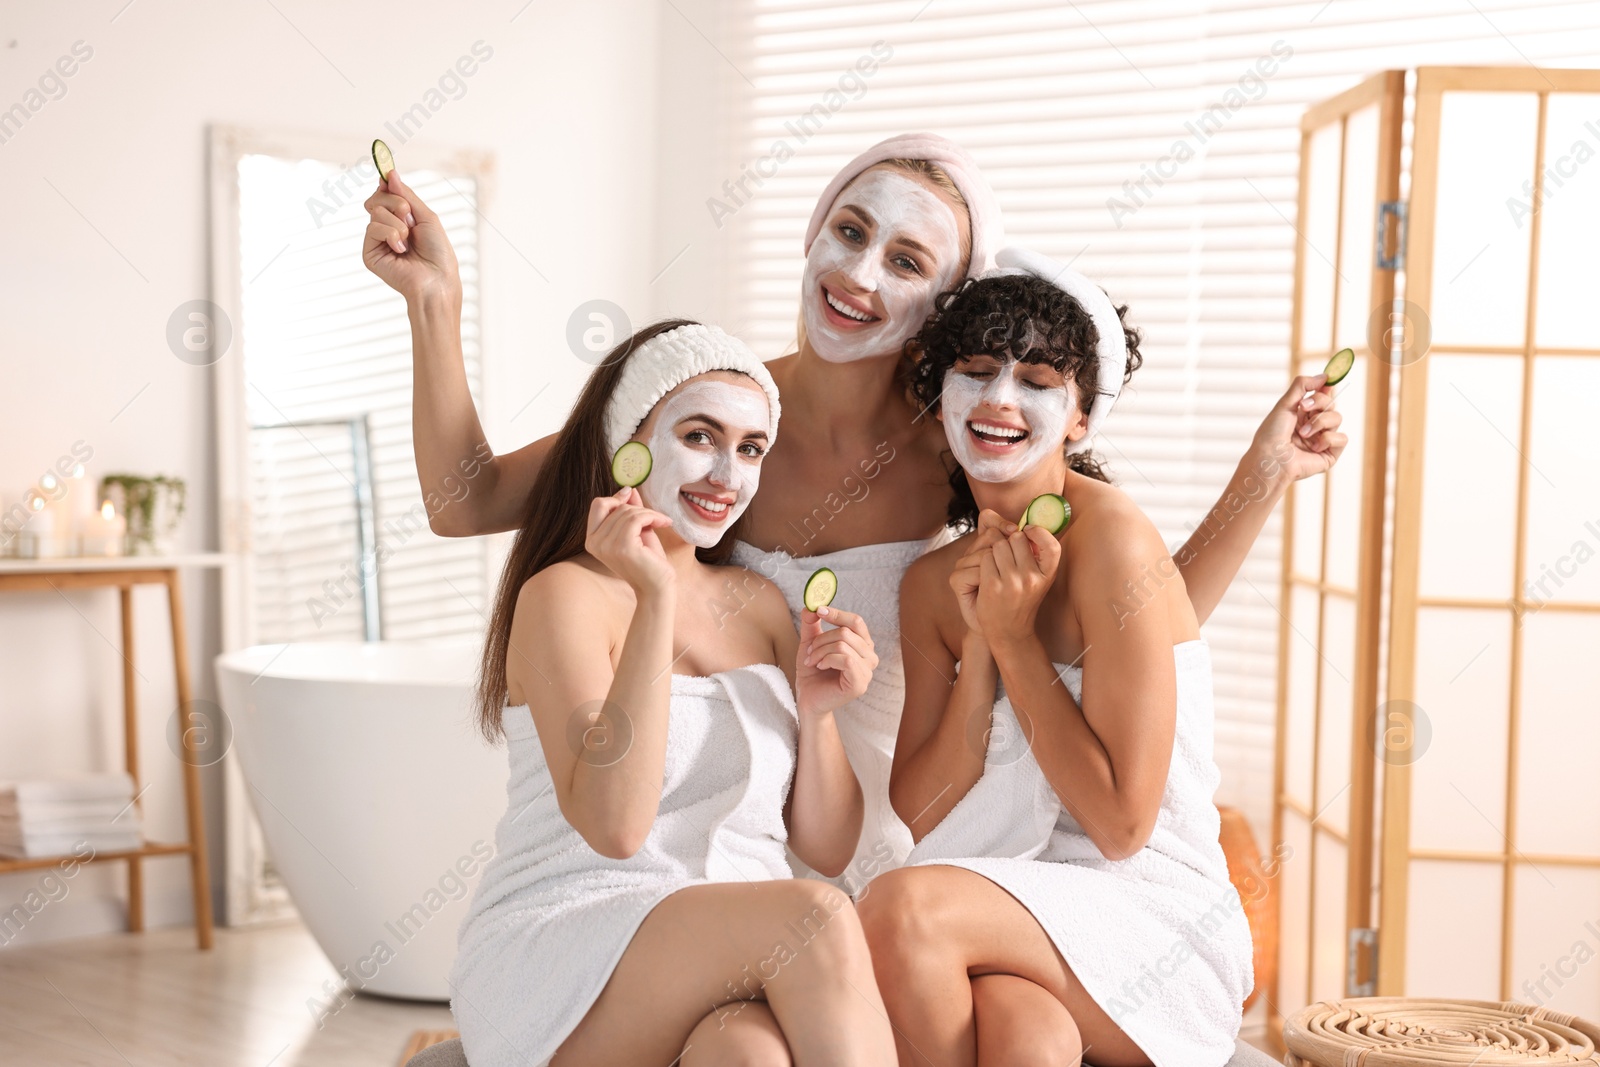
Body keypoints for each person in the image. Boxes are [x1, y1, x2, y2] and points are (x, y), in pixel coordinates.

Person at [363, 132, 1345, 891]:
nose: (859, 275)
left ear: (944, 304)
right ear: (813, 231)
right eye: (849, 231)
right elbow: (472, 500)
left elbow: (1125, 620)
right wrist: (433, 304)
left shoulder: (962, 448)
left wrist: (1261, 477)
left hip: (884, 831)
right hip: (722, 829)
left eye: (909, 262)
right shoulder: (720, 412)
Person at [448, 319, 897, 1067]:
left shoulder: (757, 604)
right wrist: (655, 598)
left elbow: (825, 844)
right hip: (572, 939)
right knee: (818, 915)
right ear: (628, 442)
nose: (727, 472)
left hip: (730, 941)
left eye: (751, 448)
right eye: (699, 435)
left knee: (747, 1056)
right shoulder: (566, 596)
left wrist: (818, 716)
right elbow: (615, 826)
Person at [861, 248, 1255, 1067]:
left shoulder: (1114, 539)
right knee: (1022, 1028)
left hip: (1150, 913)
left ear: (1080, 416)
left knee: (898, 907)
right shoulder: (935, 583)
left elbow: (1120, 825)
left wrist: (1013, 640)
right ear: (941, 397)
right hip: (1017, 890)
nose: (1001, 397)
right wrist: (977, 643)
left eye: (1038, 381)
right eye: (975, 370)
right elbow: (924, 808)